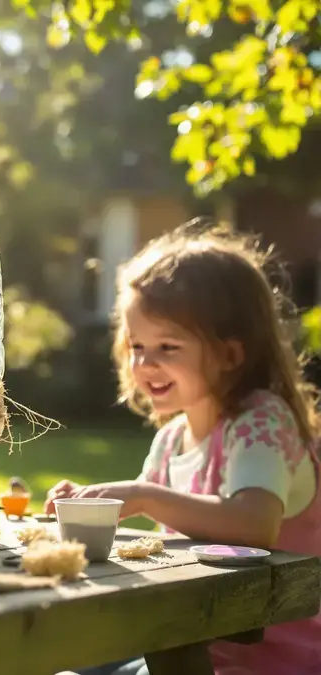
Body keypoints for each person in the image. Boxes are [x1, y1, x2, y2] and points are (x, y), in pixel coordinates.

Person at [45, 223, 321, 675]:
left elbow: (255, 525)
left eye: (168, 346)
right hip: (185, 644)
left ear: (231, 354)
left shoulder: (261, 422)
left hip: (265, 661)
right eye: (136, 346)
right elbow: (154, 532)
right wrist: (93, 505)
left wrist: (142, 495)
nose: (144, 363)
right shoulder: (172, 439)